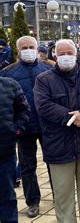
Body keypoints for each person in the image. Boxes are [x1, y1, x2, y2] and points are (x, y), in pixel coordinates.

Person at [34, 39, 80, 222]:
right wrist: (73, 117)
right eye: (62, 53)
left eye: (70, 53)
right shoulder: (44, 80)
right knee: (63, 196)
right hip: (58, 145)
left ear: (76, 55)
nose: (66, 57)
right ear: (55, 56)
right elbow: (43, 106)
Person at [1, 36, 52, 218]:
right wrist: (14, 127)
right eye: (25, 47)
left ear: (37, 48)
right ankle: (33, 202)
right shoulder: (8, 72)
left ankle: (59, 196)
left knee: (54, 163)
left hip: (48, 126)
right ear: (18, 50)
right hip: (23, 129)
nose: (28, 50)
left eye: (32, 46)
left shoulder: (49, 68)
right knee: (27, 167)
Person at [0, 76, 30, 223]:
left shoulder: (10, 85)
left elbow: (23, 111)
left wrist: (16, 130)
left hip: (4, 153)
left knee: (6, 196)